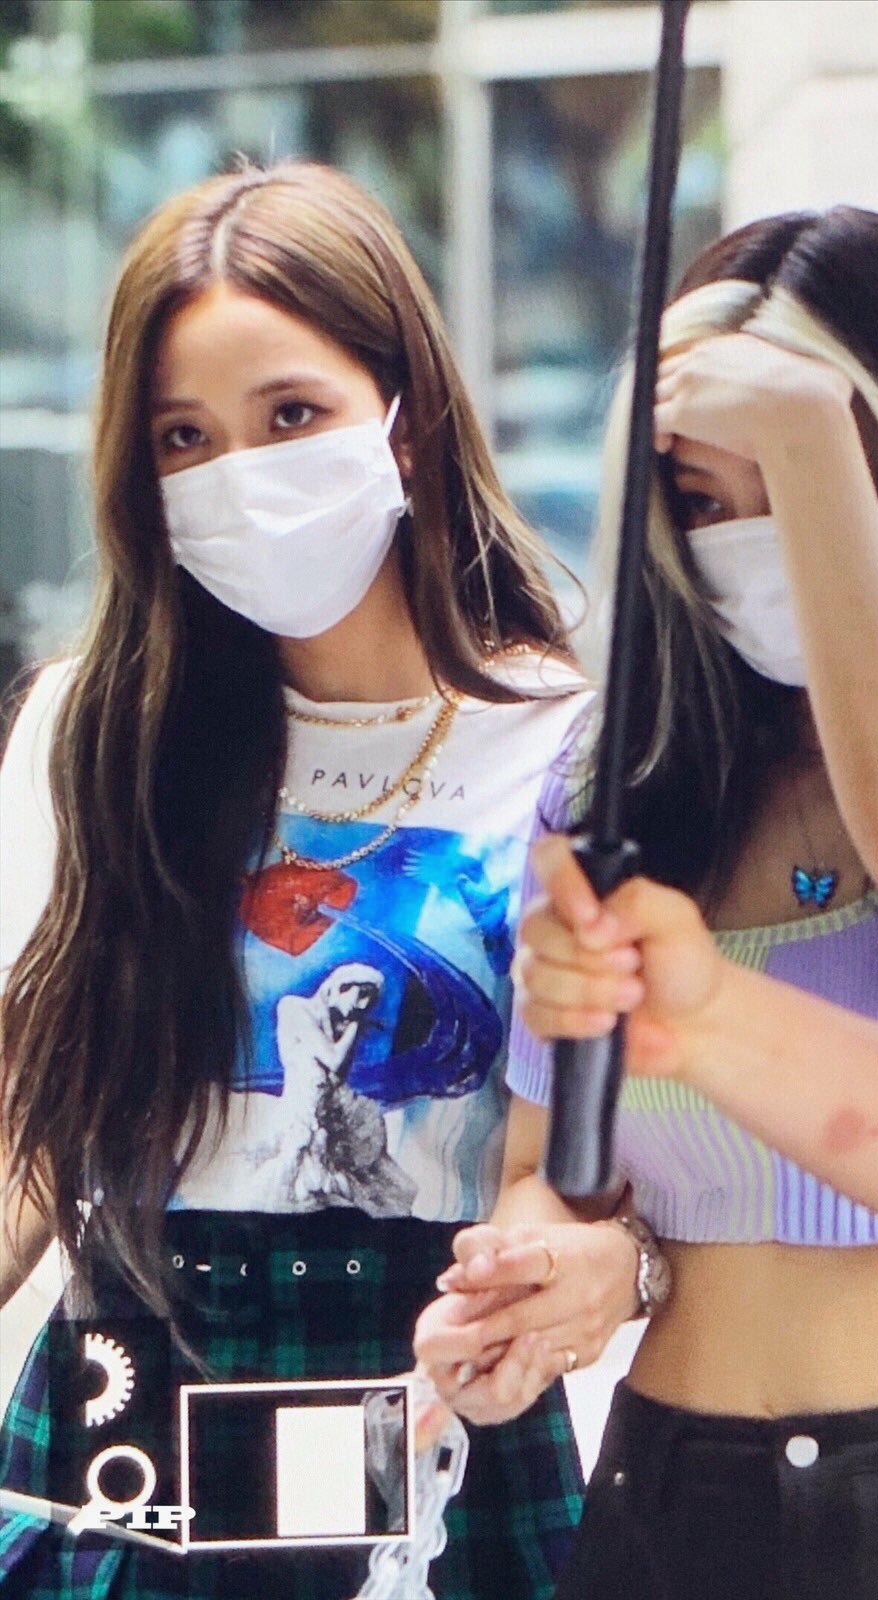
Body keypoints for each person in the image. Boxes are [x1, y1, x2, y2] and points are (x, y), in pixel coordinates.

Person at [413, 206, 878, 1598]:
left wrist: (808, 438)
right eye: (709, 504)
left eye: (815, 487)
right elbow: (556, 1164)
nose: (753, 545)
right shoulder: (620, 782)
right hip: (666, 1492)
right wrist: (543, 1277)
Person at [0, 162, 591, 1600]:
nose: (239, 476)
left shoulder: (570, 747)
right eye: (183, 438)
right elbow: (26, 1125)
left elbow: (572, 1162)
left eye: (290, 415)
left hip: (429, 1412)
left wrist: (553, 1286)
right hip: (126, 1410)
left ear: (406, 417)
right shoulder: (94, 730)